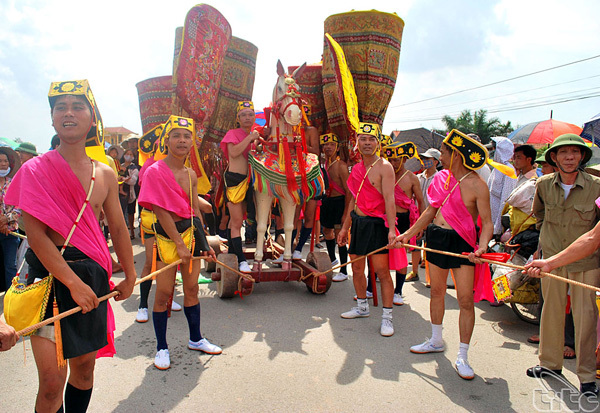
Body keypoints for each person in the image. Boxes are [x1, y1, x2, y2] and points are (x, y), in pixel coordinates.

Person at [5, 79, 136, 413]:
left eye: (78, 106)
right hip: (49, 279)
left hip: (91, 277)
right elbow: (36, 238)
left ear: (92, 118)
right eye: (60, 107)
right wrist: (73, 285)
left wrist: (131, 275)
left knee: (84, 370)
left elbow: (119, 229)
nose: (68, 113)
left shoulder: (105, 174)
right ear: (51, 119)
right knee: (51, 385)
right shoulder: (34, 170)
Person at [396, 129, 494, 380]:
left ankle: (462, 354)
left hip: (462, 242)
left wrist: (482, 247)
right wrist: (407, 234)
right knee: (436, 291)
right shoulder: (441, 178)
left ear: (458, 155)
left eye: (446, 151)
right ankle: (436, 339)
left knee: (464, 300)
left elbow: (487, 222)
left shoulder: (477, 185)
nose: (441, 155)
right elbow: (430, 212)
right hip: (437, 237)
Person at [138, 115, 221, 370]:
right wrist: (180, 244)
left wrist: (204, 243)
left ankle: (195, 338)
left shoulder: (190, 173)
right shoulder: (154, 171)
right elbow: (161, 211)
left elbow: (194, 210)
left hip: (190, 234)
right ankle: (161, 347)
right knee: (163, 293)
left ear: (192, 142)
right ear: (167, 140)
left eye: (186, 136)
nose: (182, 140)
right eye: (176, 135)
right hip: (167, 237)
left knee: (193, 288)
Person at [523, 133, 600, 398]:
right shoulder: (543, 184)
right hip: (551, 259)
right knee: (551, 311)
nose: (569, 157)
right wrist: (543, 249)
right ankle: (550, 365)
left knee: (585, 317)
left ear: (582, 157)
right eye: (563, 153)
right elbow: (540, 216)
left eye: (575, 153)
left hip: (586, 262)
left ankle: (587, 377)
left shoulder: (597, 186)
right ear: (554, 158)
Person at [337, 122, 404, 337]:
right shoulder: (356, 169)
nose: (367, 143)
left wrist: (392, 229)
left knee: (382, 272)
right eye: (363, 139)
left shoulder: (385, 167)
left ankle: (387, 318)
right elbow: (352, 201)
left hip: (377, 226)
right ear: (357, 143)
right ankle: (362, 308)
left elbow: (389, 200)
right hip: (358, 223)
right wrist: (345, 227)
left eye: (371, 139)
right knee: (356, 270)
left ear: (378, 142)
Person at [383, 141, 424, 305]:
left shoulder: (412, 178)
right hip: (385, 220)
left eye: (396, 160)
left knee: (401, 256)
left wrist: (420, 225)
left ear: (405, 159)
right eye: (390, 159)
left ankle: (398, 291)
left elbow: (421, 202)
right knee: (382, 255)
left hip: (404, 220)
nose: (393, 163)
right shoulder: (384, 175)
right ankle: (375, 288)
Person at [220, 101, 259, 272]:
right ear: (238, 118)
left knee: (236, 221)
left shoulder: (256, 135)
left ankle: (231, 252)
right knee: (236, 222)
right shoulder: (233, 133)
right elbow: (233, 153)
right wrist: (250, 138)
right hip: (235, 180)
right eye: (244, 114)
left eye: (250, 114)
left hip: (249, 179)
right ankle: (242, 260)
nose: (247, 117)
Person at [320, 133, 350, 281]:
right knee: (326, 231)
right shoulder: (323, 165)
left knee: (340, 236)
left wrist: (346, 213)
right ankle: (332, 260)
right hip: (327, 202)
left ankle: (344, 270)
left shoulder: (341, 166)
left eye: (331, 144)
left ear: (337, 147)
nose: (328, 147)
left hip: (339, 202)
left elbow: (349, 191)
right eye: (325, 145)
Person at [409, 148, 441, 282]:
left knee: (431, 247)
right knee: (416, 245)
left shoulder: (440, 178)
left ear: (436, 161)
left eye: (428, 159)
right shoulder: (418, 177)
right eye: (424, 159)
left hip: (433, 217)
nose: (425, 161)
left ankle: (430, 277)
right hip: (417, 216)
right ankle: (414, 272)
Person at [0, 146, 21, 291]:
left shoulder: (14, 183)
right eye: (0, 161)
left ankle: (11, 295)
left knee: (10, 265)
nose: (3, 164)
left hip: (10, 231)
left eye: (5, 161)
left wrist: (5, 220)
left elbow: (19, 206)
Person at [488, 136, 516, 237]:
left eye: (493, 149)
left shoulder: (508, 171)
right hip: (489, 222)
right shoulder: (496, 169)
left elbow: (506, 201)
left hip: (497, 226)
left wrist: (498, 228)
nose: (491, 152)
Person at [119, 148, 139, 239]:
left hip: (130, 192)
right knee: (121, 213)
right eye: (127, 154)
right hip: (120, 193)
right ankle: (123, 233)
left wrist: (123, 179)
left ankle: (131, 232)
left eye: (131, 155)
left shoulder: (134, 168)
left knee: (131, 213)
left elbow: (133, 181)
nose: (129, 156)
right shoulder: (120, 166)